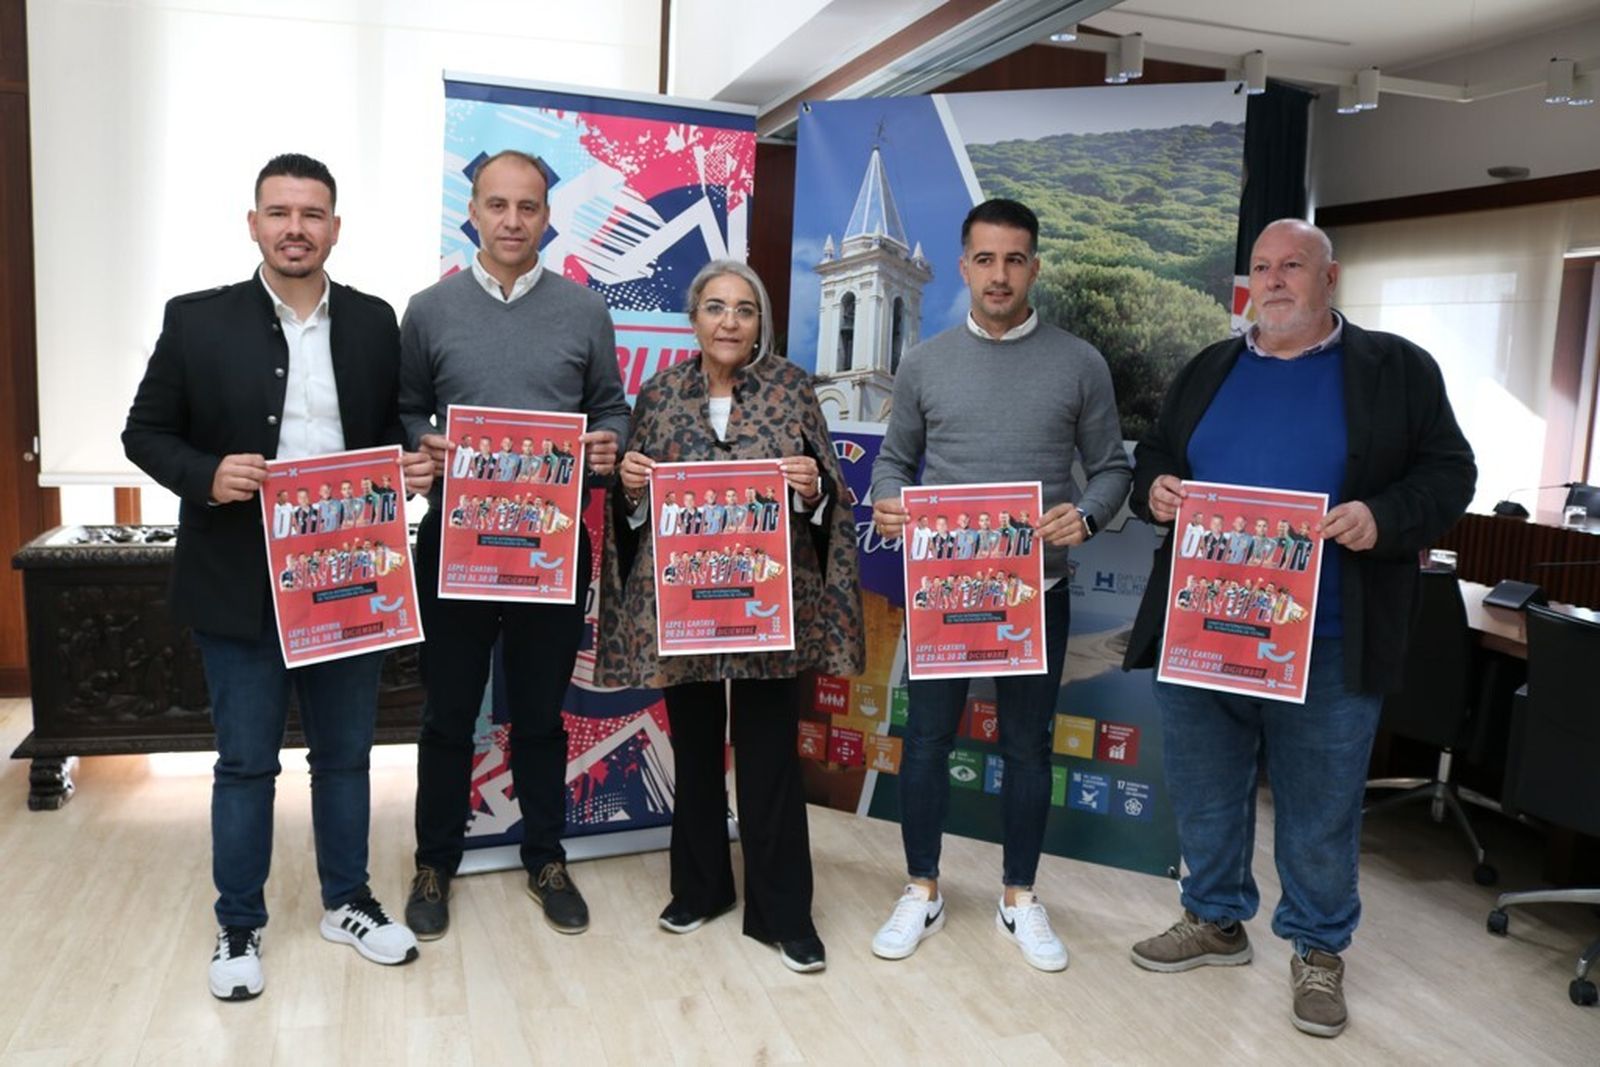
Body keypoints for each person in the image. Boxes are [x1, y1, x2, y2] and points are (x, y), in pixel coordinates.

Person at [1120, 219, 1476, 1039]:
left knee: (1320, 805)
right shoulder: (1210, 366)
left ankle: (1317, 948)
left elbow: (1451, 472)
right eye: (1262, 267)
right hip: (1204, 626)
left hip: (1331, 636)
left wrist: (1382, 515)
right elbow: (1157, 455)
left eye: (1293, 265)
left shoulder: (1397, 369)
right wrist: (1157, 489)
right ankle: (1214, 917)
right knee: (1206, 788)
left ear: (1330, 278)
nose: (1274, 280)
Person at [122, 153, 433, 1001]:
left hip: (348, 574)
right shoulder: (196, 319)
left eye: (312, 213)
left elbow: (388, 434)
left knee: (346, 756)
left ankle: (347, 902)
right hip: (238, 576)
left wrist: (409, 465)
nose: (296, 228)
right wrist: (205, 473)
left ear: (336, 227)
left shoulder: (374, 321)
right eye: (280, 212)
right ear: (254, 223)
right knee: (246, 762)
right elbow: (143, 433)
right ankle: (238, 923)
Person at [869, 198, 1132, 972]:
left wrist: (1087, 514)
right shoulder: (925, 363)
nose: (999, 274)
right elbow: (894, 460)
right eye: (985, 259)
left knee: (1027, 747)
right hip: (945, 592)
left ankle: (1019, 896)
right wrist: (889, 500)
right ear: (963, 266)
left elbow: (1113, 468)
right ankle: (922, 888)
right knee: (926, 740)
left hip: (1036, 591)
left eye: (1015, 259)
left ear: (1034, 267)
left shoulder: (1079, 362)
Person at [596, 259, 865, 975]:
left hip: (767, 612)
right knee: (694, 749)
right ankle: (700, 889)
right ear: (694, 319)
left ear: (759, 323)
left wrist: (811, 487)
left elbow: (830, 497)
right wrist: (630, 487)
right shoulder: (659, 394)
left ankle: (784, 915)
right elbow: (631, 513)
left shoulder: (792, 388)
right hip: (686, 608)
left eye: (744, 310)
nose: (729, 321)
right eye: (715, 307)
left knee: (770, 757)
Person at [398, 149, 629, 940]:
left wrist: (607, 443)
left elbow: (611, 407)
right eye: (496, 205)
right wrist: (423, 443)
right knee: (447, 716)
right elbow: (406, 406)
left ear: (547, 218)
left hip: (551, 552)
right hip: (455, 551)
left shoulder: (584, 312)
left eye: (527, 207)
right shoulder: (429, 309)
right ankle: (434, 861)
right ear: (472, 212)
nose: (511, 220)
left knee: (539, 717)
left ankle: (546, 858)